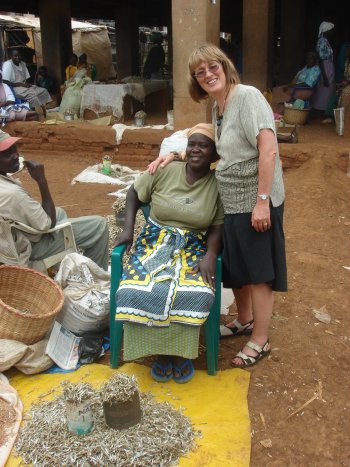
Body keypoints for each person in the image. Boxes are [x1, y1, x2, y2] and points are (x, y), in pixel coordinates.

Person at [149, 44, 287, 368]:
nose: (208, 75)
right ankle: (245, 320)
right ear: (195, 81)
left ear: (225, 67)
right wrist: (177, 154)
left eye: (213, 67)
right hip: (233, 201)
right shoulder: (217, 107)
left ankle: (260, 340)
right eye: (200, 72)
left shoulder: (248, 97)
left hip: (256, 200)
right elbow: (218, 150)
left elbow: (268, 150)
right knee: (238, 267)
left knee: (259, 273)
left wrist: (263, 202)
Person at [114, 123, 224, 383]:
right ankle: (159, 354)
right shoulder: (165, 169)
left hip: (193, 245)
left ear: (213, 153)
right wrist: (128, 229)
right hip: (154, 241)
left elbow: (218, 227)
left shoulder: (216, 185)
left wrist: (210, 255)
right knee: (134, 288)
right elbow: (133, 193)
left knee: (195, 292)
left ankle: (181, 354)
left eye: (203, 145)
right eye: (192, 144)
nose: (196, 150)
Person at [0, 130, 109, 271]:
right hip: (27, 248)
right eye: (7, 154)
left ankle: (60, 271)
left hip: (7, 244)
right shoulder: (13, 194)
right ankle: (97, 280)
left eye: (14, 149)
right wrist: (41, 181)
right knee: (99, 226)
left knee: (60, 212)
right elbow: (48, 224)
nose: (15, 156)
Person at [1, 49, 52, 119]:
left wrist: (27, 84)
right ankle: (36, 114)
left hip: (24, 85)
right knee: (34, 95)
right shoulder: (8, 64)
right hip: (15, 87)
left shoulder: (23, 64)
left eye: (19, 55)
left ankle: (43, 108)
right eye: (15, 56)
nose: (17, 57)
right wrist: (20, 84)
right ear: (11, 56)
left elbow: (27, 77)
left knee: (43, 90)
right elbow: (5, 81)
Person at [311, 22, 336, 122]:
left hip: (328, 67)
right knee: (324, 91)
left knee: (327, 91)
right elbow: (321, 59)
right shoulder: (322, 41)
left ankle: (324, 113)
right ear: (326, 31)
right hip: (325, 68)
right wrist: (324, 75)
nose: (332, 33)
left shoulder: (325, 41)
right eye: (330, 30)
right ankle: (320, 114)